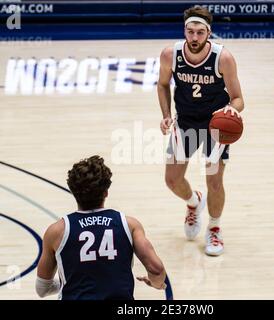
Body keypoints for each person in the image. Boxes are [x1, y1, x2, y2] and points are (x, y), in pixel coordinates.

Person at [157, 6, 244, 256]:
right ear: (184, 30)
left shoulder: (223, 58)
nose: (194, 38)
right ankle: (194, 202)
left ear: (209, 32)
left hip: (215, 127)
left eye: (200, 32)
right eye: (190, 31)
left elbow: (238, 99)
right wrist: (165, 115)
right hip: (184, 122)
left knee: (214, 182)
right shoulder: (170, 54)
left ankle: (214, 228)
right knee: (172, 180)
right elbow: (162, 85)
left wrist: (228, 113)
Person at [36, 155, 166, 300]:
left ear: (73, 192)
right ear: (106, 192)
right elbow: (156, 270)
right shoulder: (129, 225)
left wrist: (71, 282)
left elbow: (42, 289)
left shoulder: (56, 231)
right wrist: (157, 284)